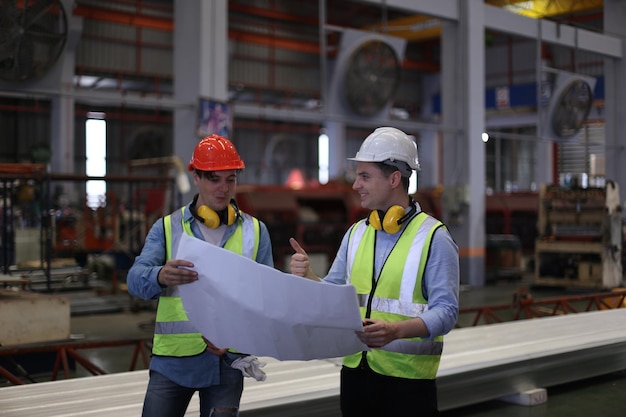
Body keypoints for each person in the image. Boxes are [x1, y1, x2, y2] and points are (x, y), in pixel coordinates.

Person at [289, 127, 459, 417]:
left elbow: (446, 311)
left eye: (365, 176)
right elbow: (334, 291)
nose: (356, 185)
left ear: (394, 179)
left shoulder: (434, 237)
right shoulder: (357, 233)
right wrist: (309, 277)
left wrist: (396, 331)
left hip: (408, 383)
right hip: (356, 373)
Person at [127, 134, 274, 417]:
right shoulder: (168, 228)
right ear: (196, 177)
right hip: (172, 363)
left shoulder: (255, 232)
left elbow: (264, 302)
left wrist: (232, 337)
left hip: (228, 363)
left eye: (230, 179)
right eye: (214, 179)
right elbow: (135, 280)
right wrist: (160, 275)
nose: (223, 188)